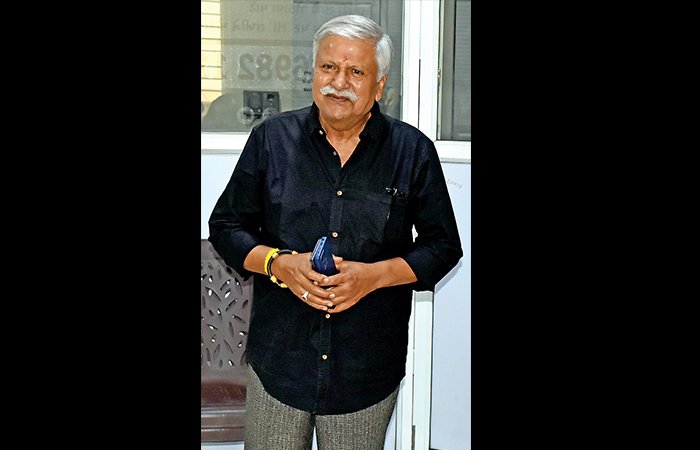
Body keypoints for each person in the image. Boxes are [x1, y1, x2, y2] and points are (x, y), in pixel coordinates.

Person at [208, 14, 463, 450]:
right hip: (280, 361)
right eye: (328, 67)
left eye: (356, 71)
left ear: (379, 85)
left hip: (365, 369)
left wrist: (374, 276)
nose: (338, 82)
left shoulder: (412, 151)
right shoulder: (272, 140)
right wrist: (277, 264)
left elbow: (442, 247)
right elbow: (226, 226)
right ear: (313, 73)